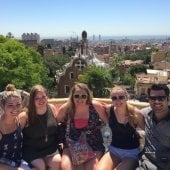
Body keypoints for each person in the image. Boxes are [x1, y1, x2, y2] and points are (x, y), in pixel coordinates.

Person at [56, 83, 108, 170]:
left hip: (93, 145)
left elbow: (108, 123)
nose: (80, 99)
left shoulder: (96, 106)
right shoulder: (66, 108)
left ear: (88, 96)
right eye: (77, 96)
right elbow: (53, 124)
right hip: (71, 145)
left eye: (83, 96)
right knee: (66, 168)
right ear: (72, 97)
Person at [97, 85, 145, 170]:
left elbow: (146, 130)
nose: (118, 100)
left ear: (127, 98)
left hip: (131, 152)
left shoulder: (136, 114)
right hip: (113, 150)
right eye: (114, 98)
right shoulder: (109, 110)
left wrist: (140, 133)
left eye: (121, 97)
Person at [22, 84, 61, 170]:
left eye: (43, 97)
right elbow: (16, 134)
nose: (41, 100)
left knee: (57, 162)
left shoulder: (52, 108)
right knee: (40, 166)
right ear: (32, 100)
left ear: (47, 97)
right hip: (32, 150)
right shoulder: (25, 116)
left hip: (50, 148)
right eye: (37, 98)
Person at [137, 84, 170, 170]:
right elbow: (135, 113)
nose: (157, 101)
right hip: (146, 162)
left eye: (161, 98)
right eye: (153, 98)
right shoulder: (145, 113)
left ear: (168, 99)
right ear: (149, 100)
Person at [0, 89, 30, 169]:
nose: (15, 108)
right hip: (4, 165)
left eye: (18, 104)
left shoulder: (20, 119)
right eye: (10, 105)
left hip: (18, 161)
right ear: (3, 106)